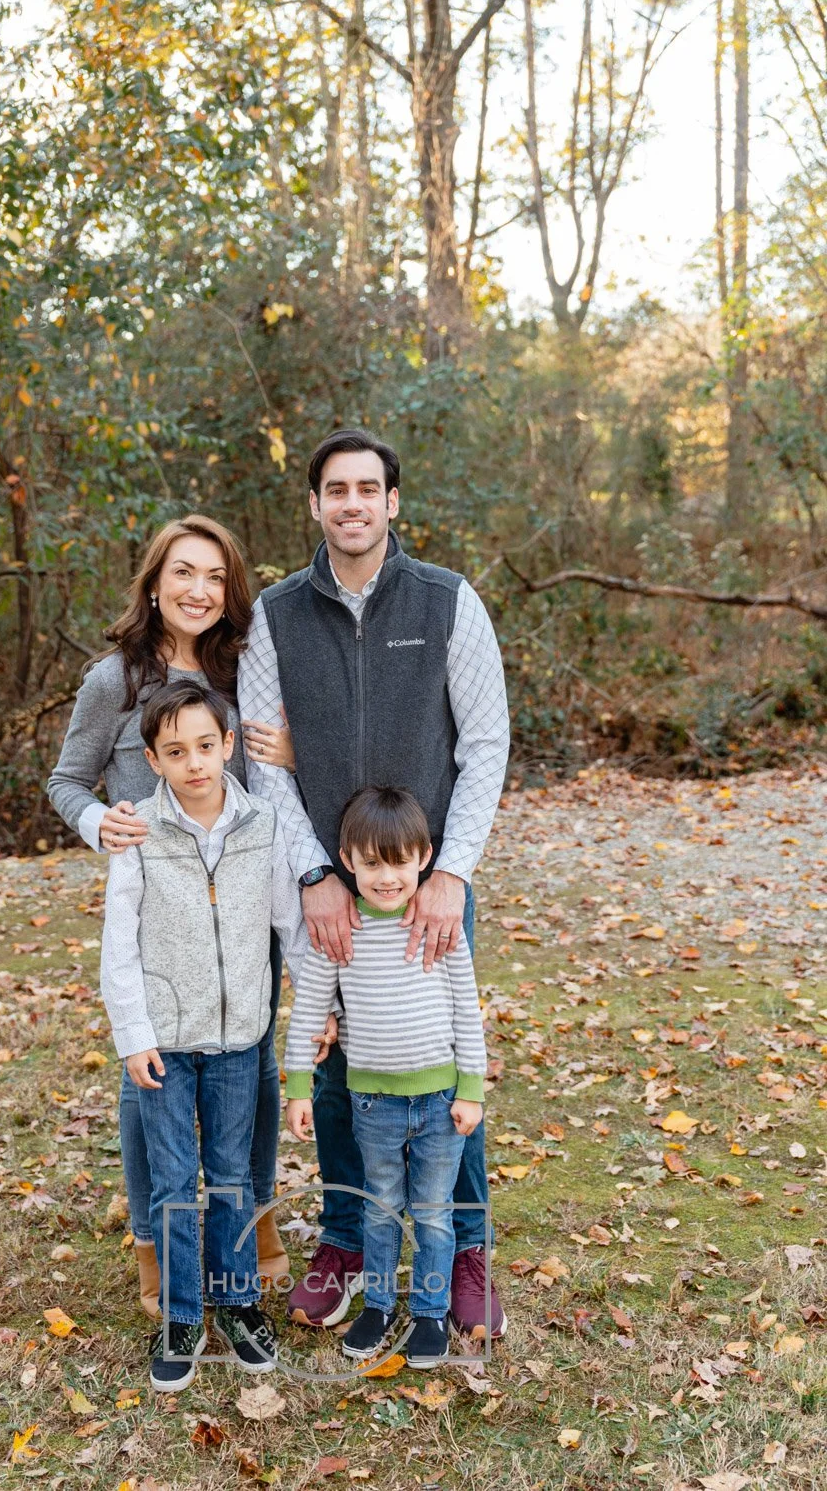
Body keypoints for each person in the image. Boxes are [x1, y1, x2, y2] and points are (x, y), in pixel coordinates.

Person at [237, 427, 511, 1342]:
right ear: (313, 505)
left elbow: (485, 746)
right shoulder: (276, 616)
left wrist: (453, 873)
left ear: (393, 502)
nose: (352, 503)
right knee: (344, 1065)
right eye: (334, 490)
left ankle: (463, 1249)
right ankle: (350, 1240)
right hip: (327, 884)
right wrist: (313, 871)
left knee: (438, 1066)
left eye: (368, 489)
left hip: (423, 886)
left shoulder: (446, 601)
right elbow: (262, 757)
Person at [47, 515, 297, 1319]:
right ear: (154, 583)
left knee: (251, 1067)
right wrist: (98, 822)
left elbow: (273, 782)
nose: (199, 591)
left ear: (232, 592)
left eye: (216, 577)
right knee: (147, 1074)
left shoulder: (249, 671)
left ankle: (250, 1219)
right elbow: (67, 781)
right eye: (183, 573)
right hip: (163, 914)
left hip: (247, 899)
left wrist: (294, 755)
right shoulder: (112, 681)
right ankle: (156, 1241)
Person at [100, 681, 309, 1391]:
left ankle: (239, 1301)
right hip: (164, 1039)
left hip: (239, 1039)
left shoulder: (264, 825)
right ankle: (182, 1316)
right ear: (153, 760)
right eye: (175, 751)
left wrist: (315, 1007)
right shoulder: (138, 834)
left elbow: (292, 927)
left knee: (232, 1177)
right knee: (171, 1183)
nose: (194, 763)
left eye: (205, 746)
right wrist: (132, 1035)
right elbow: (118, 945)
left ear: (227, 746)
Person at [284, 786, 486, 1367]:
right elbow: (309, 1014)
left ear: (424, 856)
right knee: (378, 1206)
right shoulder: (341, 935)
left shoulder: (439, 930)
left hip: (441, 1102)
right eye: (371, 863)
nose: (387, 877)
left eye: (398, 861)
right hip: (371, 1102)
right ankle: (376, 1306)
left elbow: (466, 1014)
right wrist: (298, 1086)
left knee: (432, 1211)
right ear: (347, 861)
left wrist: (471, 1090)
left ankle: (428, 1314)